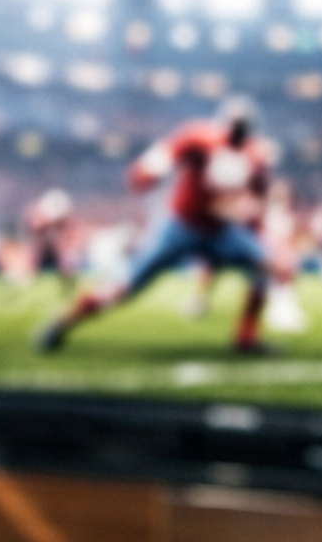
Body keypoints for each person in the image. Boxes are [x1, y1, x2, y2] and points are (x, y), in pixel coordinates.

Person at [35, 98, 274, 355]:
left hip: (222, 231)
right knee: (127, 283)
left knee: (265, 265)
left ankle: (246, 337)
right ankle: (64, 321)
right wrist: (147, 171)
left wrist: (254, 234)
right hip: (182, 227)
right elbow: (168, 152)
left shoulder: (255, 159)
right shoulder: (201, 139)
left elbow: (257, 203)